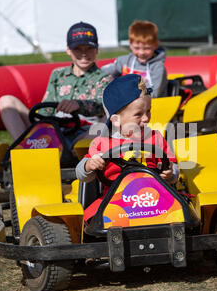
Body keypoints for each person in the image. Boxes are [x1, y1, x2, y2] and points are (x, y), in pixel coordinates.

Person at [75, 74, 179, 221]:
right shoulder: (102, 143)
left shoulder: (155, 138)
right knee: (90, 221)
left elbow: (173, 167)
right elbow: (81, 174)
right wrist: (89, 165)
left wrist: (170, 173)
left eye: (148, 111)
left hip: (154, 199)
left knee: (183, 215)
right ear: (116, 120)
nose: (146, 118)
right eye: (138, 114)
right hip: (114, 200)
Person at [0, 22, 113, 147]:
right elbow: (45, 110)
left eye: (89, 48)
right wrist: (41, 124)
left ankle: (78, 152)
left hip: (84, 132)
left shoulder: (105, 78)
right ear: (68, 50)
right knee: (6, 100)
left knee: (111, 118)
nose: (84, 54)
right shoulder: (58, 74)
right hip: (53, 129)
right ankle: (23, 146)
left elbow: (101, 107)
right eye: (78, 49)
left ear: (97, 49)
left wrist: (77, 105)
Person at [101, 20, 168, 98]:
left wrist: (128, 93)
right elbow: (102, 72)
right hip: (126, 102)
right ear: (130, 44)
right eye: (137, 48)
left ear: (156, 45)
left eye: (146, 48)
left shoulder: (158, 67)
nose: (141, 52)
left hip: (150, 105)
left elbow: (154, 94)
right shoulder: (125, 61)